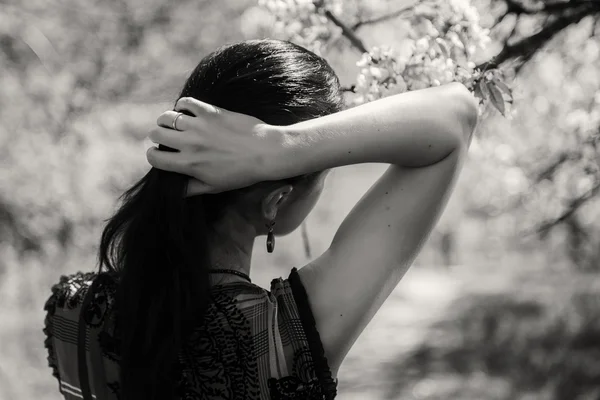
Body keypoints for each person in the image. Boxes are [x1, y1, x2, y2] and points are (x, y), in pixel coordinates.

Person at [42, 39, 477, 400]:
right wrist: (278, 148)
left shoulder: (74, 309)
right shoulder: (274, 339)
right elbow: (455, 117)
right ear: (276, 201)